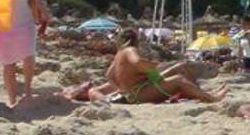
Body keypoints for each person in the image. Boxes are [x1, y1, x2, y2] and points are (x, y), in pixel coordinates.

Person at [68, 29, 227, 104]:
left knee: (178, 70)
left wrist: (121, 89)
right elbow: (137, 62)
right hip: (139, 93)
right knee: (179, 79)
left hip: (134, 92)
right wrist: (153, 65)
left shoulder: (119, 54)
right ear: (135, 40)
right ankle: (211, 98)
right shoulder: (130, 50)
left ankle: (204, 95)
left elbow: (109, 75)